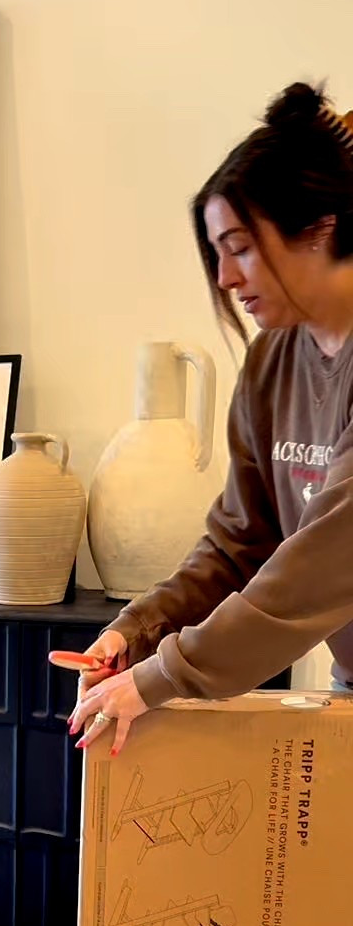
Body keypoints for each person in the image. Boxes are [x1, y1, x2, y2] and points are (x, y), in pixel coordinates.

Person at [72, 82, 353, 756]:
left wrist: (162, 676)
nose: (225, 277)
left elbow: (317, 570)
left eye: (240, 247)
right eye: (217, 253)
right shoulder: (272, 362)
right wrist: (137, 631)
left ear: (319, 229)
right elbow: (239, 546)